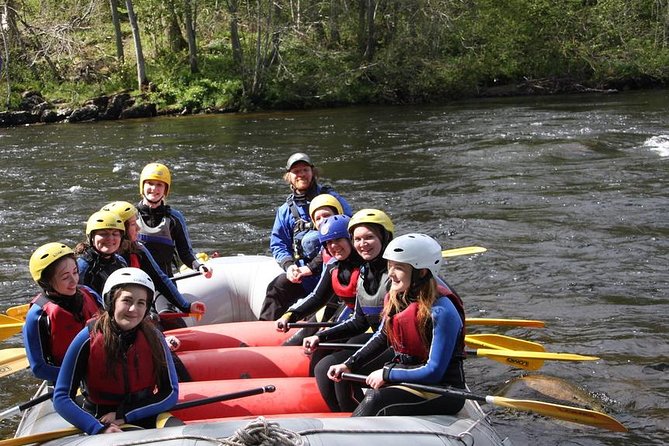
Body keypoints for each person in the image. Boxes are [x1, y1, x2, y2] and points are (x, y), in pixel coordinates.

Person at [327, 234, 467, 417]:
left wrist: (387, 374)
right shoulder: (396, 298)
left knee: (375, 400)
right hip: (410, 378)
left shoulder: (441, 312)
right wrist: (349, 364)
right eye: (390, 266)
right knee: (343, 378)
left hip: (441, 390)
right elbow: (381, 336)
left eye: (398, 268)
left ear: (422, 272)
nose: (391, 273)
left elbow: (433, 371)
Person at [53, 267, 179, 435]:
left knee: (179, 431)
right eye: (127, 301)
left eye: (141, 303)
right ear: (111, 301)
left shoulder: (154, 337)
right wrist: (97, 428)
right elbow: (62, 397)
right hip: (101, 419)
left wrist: (124, 415)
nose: (134, 309)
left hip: (144, 413)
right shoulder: (87, 338)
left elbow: (170, 392)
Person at [303, 209, 396, 411]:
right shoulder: (364, 272)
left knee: (337, 371)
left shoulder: (395, 275)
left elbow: (388, 331)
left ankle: (355, 422)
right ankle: (343, 419)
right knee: (323, 368)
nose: (363, 244)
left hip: (397, 345)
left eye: (369, 237)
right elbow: (360, 321)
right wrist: (322, 336)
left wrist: (351, 363)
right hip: (382, 337)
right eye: (358, 239)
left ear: (384, 237)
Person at [259, 154, 352, 321]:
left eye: (305, 170)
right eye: (296, 171)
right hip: (303, 275)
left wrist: (312, 267)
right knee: (277, 287)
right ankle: (263, 333)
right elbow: (278, 244)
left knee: (323, 310)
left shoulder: (333, 200)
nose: (301, 174)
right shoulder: (285, 211)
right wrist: (289, 267)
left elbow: (348, 231)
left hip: (333, 272)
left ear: (313, 172)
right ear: (289, 177)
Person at [101, 201, 206, 331]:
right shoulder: (99, 260)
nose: (139, 229)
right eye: (134, 224)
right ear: (121, 229)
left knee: (175, 324)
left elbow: (160, 279)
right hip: (113, 316)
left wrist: (187, 306)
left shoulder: (138, 249)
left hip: (139, 304)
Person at [135, 162, 211, 317]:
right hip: (137, 283)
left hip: (164, 282)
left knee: (168, 317)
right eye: (149, 183)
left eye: (159, 185)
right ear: (142, 186)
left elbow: (185, 253)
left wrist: (199, 266)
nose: (154, 189)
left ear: (165, 190)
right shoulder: (130, 216)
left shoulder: (174, 218)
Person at [275, 214, 362, 347]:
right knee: (292, 343)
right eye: (328, 242)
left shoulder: (366, 268)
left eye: (338, 239)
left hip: (362, 323)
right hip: (342, 314)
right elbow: (318, 297)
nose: (334, 245)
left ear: (350, 238)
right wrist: (290, 315)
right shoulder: (333, 266)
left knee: (323, 351)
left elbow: (359, 311)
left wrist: (331, 328)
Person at [23, 242, 103, 383]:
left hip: (102, 368)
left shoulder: (88, 293)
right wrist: (82, 375)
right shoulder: (38, 315)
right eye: (65, 277)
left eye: (75, 272)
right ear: (46, 282)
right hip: (66, 379)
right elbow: (39, 368)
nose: (74, 281)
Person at [75, 210, 128, 295]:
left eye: (115, 234)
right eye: (103, 233)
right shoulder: (82, 267)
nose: (110, 238)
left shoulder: (120, 261)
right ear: (91, 237)